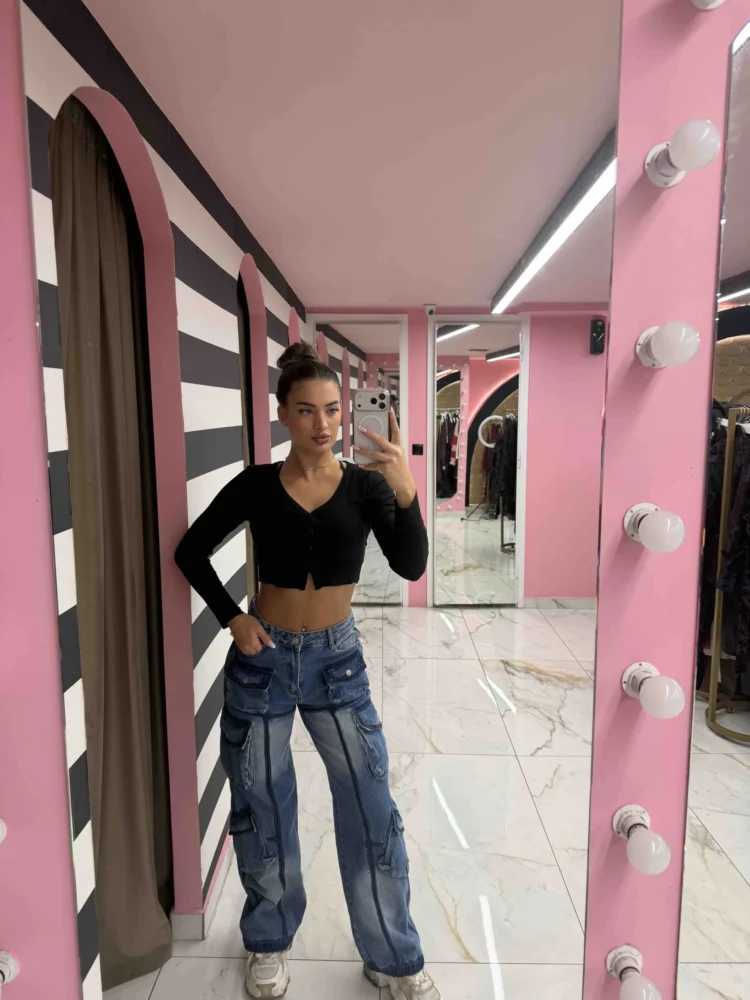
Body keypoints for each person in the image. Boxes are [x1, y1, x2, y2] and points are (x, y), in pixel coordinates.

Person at [175, 342, 441, 1000]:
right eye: (306, 410)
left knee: (370, 804)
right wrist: (231, 617)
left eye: (332, 410)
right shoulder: (256, 484)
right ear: (283, 414)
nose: (322, 423)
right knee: (262, 805)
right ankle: (268, 942)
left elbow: (411, 565)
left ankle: (393, 956)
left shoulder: (367, 485)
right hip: (261, 661)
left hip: (337, 662)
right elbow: (191, 550)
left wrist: (407, 490)